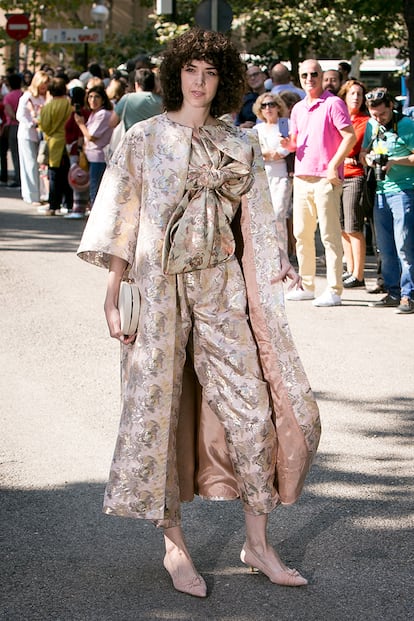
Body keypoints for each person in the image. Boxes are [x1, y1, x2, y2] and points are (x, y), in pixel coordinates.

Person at [77, 28, 320, 597]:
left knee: (252, 407)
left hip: (220, 284)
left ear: (225, 79)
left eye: (211, 73)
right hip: (156, 286)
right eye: (192, 71)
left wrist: (277, 262)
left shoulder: (237, 143)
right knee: (157, 408)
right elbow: (123, 217)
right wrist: (113, 292)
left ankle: (257, 543)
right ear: (175, 74)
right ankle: (175, 547)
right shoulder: (142, 138)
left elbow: (258, 219)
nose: (201, 82)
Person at [282, 59, 356, 306]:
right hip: (302, 177)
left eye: (314, 74)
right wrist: (288, 145)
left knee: (329, 235)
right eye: (304, 75)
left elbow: (349, 136)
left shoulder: (334, 103)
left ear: (321, 76)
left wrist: (334, 165)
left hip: (326, 178)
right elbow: (296, 141)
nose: (309, 78)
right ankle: (307, 285)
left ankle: (334, 289)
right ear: (299, 77)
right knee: (301, 234)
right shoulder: (298, 109)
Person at [360, 88, 414, 314]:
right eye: (374, 115)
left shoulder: (407, 125)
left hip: (404, 191)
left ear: (391, 106)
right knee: (385, 247)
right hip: (381, 192)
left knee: (405, 246)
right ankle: (392, 292)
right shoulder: (372, 125)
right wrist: (370, 160)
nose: (378, 119)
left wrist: (395, 161)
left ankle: (408, 295)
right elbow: (363, 153)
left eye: (382, 114)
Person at [337, 79, 370, 288]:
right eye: (352, 94)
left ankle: (358, 274)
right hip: (337, 176)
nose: (356, 97)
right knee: (342, 227)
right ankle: (349, 269)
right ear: (345, 96)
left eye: (359, 94)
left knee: (353, 226)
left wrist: (351, 156)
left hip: (355, 175)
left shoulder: (366, 121)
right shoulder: (338, 117)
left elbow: (357, 149)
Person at [252, 92, 291, 252]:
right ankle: (268, 253)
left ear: (278, 107)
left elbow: (285, 149)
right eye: (264, 105)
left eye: (271, 104)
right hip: (263, 176)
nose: (268, 108)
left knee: (278, 214)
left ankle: (282, 254)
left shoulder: (285, 124)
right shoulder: (257, 128)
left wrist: (270, 153)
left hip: (282, 175)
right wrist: (268, 154)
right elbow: (255, 152)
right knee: (264, 218)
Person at [39, 77, 73, 215]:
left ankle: (54, 205)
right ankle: (69, 203)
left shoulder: (48, 107)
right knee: (68, 175)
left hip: (53, 143)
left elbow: (44, 126)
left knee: (53, 176)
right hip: (68, 143)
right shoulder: (68, 105)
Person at [75, 84, 113, 207]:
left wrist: (80, 124)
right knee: (92, 186)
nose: (93, 100)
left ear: (103, 99)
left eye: (96, 97)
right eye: (90, 97)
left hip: (99, 156)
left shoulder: (103, 114)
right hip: (91, 155)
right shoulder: (94, 114)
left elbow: (92, 136)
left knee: (95, 188)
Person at [16, 70, 50, 206]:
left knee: (38, 165)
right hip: (27, 134)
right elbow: (20, 115)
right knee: (29, 164)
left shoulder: (44, 97)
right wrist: (31, 123)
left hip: (40, 134)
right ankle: (32, 195)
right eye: (43, 84)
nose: (44, 87)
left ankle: (39, 193)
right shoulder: (27, 96)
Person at [3, 73, 23, 187]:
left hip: (13, 125)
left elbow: (10, 113)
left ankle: (17, 177)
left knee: (15, 152)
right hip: (24, 125)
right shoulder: (23, 94)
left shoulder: (8, 97)